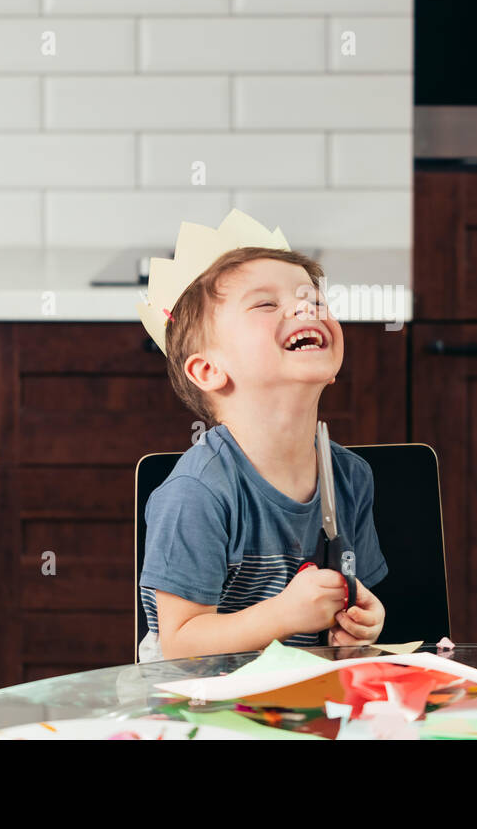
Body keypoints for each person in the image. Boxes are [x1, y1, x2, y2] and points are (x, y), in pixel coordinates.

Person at [136, 209, 387, 662]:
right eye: (266, 304)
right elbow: (179, 642)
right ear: (209, 371)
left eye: (313, 300)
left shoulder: (350, 478)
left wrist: (360, 622)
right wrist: (285, 615)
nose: (305, 308)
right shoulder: (198, 492)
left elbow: (350, 600)